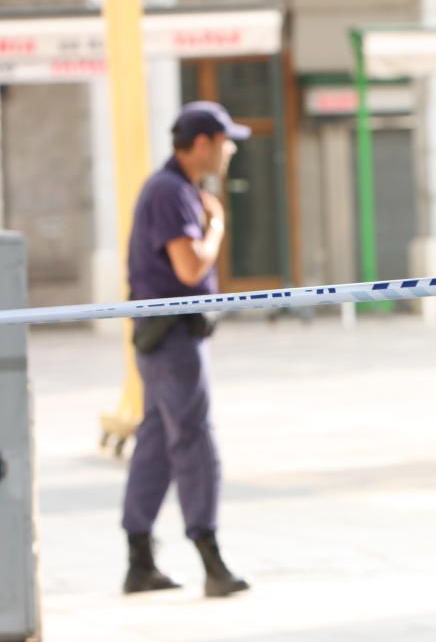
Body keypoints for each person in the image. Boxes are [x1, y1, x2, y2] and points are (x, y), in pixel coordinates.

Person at [121, 101, 250, 598]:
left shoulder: (171, 189)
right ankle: (210, 557)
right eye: (225, 141)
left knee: (155, 442)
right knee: (194, 442)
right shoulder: (173, 192)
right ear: (202, 144)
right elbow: (189, 269)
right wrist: (215, 223)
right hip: (173, 336)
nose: (231, 150)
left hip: (162, 336)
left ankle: (139, 559)